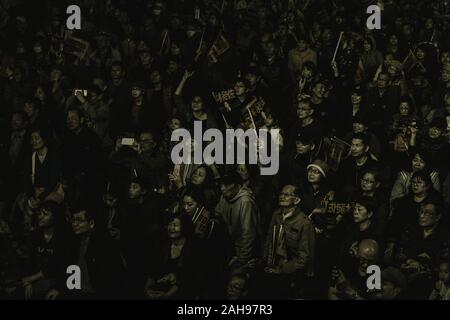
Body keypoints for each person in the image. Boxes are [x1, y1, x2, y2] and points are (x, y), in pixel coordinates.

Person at [257, 184, 315, 299]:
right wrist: (266, 262)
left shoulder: (304, 223)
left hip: (293, 272)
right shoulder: (277, 214)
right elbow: (269, 239)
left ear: (297, 200)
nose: (282, 197)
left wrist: (282, 270)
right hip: (274, 264)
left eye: (287, 195)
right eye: (281, 194)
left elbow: (303, 258)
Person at [143, 214, 205, 299]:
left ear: (184, 227)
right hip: (160, 290)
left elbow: (189, 278)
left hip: (183, 294)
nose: (171, 228)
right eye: (169, 224)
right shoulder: (162, 244)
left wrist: (166, 295)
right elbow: (153, 271)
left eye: (175, 225)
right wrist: (146, 290)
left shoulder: (192, 248)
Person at [215, 172, 261, 274]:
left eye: (227, 185)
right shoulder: (225, 196)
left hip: (244, 252)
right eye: (221, 185)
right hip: (230, 247)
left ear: (238, 185)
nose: (222, 188)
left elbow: (248, 234)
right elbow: (217, 213)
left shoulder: (245, 202)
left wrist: (242, 259)